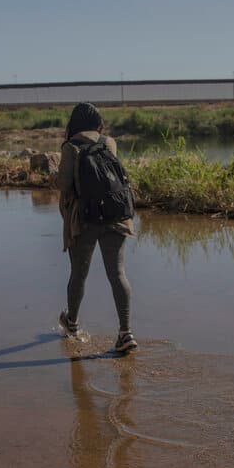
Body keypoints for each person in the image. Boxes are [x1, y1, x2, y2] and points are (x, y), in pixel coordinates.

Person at [55, 103, 137, 352]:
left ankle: (72, 324)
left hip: (84, 220)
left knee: (79, 274)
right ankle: (125, 333)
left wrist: (53, 174)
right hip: (116, 215)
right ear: (97, 123)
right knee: (118, 274)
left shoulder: (71, 148)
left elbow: (65, 185)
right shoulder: (109, 142)